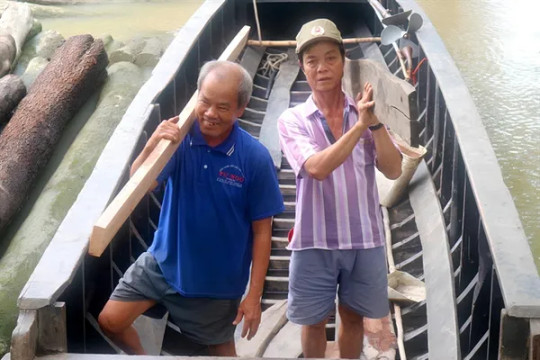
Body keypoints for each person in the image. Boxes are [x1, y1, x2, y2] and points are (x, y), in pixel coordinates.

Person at [98, 60, 284, 356]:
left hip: (215, 283)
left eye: (222, 107)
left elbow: (263, 231)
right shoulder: (178, 141)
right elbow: (140, 186)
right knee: (110, 321)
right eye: (205, 102)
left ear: (241, 108)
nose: (210, 114)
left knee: (221, 351)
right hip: (163, 261)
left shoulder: (255, 158)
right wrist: (152, 145)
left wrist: (254, 296)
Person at [277, 19, 402, 358]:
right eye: (312, 60)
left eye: (330, 57)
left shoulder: (365, 112)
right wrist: (359, 126)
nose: (322, 67)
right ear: (303, 68)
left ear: (343, 61)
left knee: (353, 316)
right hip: (314, 240)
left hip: (365, 238)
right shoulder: (293, 120)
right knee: (314, 321)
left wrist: (372, 123)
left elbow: (392, 169)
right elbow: (316, 168)